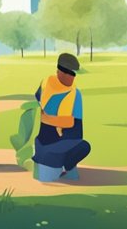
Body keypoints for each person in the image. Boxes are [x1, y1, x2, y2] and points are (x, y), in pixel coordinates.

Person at [32, 52, 90, 181]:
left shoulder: (45, 82)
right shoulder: (74, 94)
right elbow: (70, 124)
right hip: (58, 142)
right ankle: (65, 167)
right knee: (84, 146)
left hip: (43, 140)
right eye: (71, 74)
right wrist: (52, 120)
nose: (73, 78)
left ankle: (65, 167)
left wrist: (45, 117)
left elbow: (37, 99)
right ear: (61, 72)